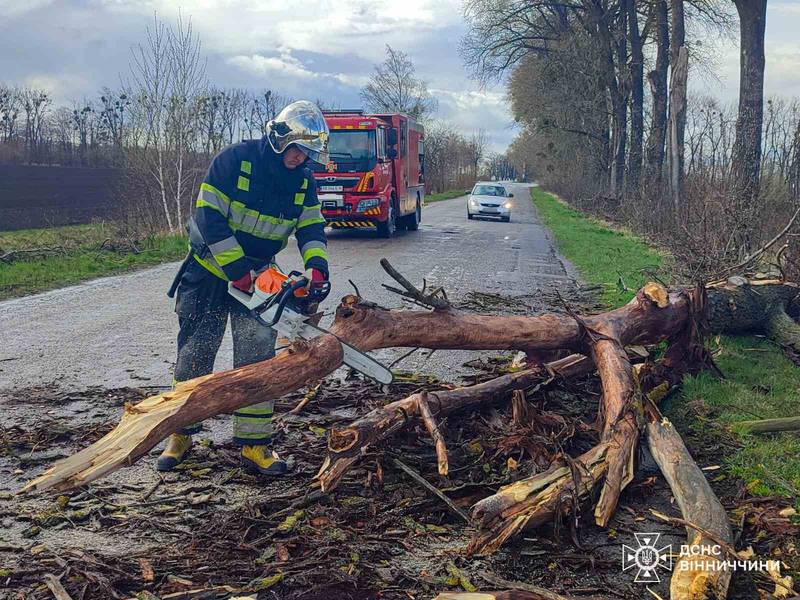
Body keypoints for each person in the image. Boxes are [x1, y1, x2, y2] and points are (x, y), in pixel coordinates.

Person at [159, 100, 331, 475]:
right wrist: (236, 269)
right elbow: (209, 217)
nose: (300, 158)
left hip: (260, 277)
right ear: (280, 138)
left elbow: (312, 227)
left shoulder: (303, 182)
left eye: (308, 153)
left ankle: (255, 444)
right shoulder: (235, 160)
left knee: (256, 358)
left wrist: (316, 267)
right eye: (298, 149)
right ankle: (180, 434)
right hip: (208, 273)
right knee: (195, 353)